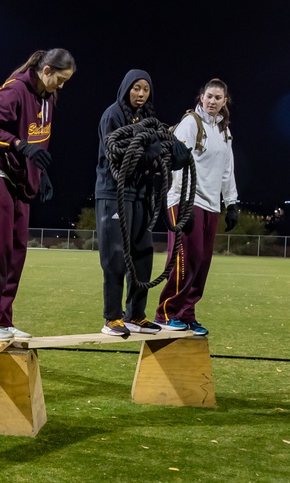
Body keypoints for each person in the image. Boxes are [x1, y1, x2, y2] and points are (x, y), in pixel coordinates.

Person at [0, 48, 76, 341]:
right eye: (60, 79)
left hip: (20, 182)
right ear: (47, 70)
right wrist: (17, 144)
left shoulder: (49, 98)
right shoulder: (15, 89)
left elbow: (38, 142)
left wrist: (42, 174)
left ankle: (2, 321)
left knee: (16, 255)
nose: (62, 86)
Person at [95, 69, 192, 337]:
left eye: (145, 89)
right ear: (126, 88)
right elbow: (114, 152)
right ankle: (112, 317)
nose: (140, 94)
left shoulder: (149, 118)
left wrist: (174, 156)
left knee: (142, 255)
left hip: (141, 194)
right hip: (114, 193)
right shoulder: (112, 115)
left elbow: (157, 150)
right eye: (136, 88)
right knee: (115, 256)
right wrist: (147, 151)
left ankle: (135, 315)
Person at [154, 79, 239, 336]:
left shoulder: (224, 131)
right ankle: (166, 313)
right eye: (209, 96)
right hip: (186, 200)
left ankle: (188, 313)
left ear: (225, 101)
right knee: (185, 259)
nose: (212, 102)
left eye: (218, 98)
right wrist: (180, 203)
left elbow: (227, 170)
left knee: (202, 262)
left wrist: (232, 202)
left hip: (212, 204)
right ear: (201, 97)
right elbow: (175, 162)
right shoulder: (191, 123)